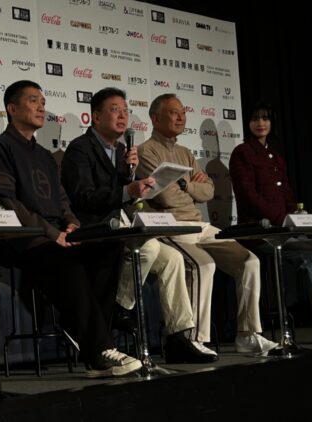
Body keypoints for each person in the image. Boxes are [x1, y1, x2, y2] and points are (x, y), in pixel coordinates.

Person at [0, 80, 141, 377]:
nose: (41, 107)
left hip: (56, 234)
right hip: (22, 238)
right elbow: (8, 204)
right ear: (12, 109)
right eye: (33, 101)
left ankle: (94, 342)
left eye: (43, 101)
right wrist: (54, 234)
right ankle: (100, 350)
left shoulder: (44, 154)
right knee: (67, 260)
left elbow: (62, 199)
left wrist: (72, 223)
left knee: (109, 249)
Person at [60, 87, 216, 363]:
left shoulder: (123, 150)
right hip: (93, 227)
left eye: (125, 110)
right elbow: (83, 197)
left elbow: (124, 197)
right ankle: (119, 308)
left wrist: (133, 184)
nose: (122, 116)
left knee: (172, 259)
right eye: (115, 110)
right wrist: (127, 189)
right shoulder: (80, 149)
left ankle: (178, 336)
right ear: (96, 117)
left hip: (120, 225)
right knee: (149, 248)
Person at [137, 93, 277, 353]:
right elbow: (165, 196)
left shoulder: (185, 153)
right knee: (204, 265)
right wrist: (190, 185)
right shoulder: (146, 151)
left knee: (249, 261)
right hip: (172, 227)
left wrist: (184, 185)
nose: (181, 117)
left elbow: (208, 192)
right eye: (174, 112)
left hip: (199, 225)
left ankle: (248, 335)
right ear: (155, 118)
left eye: (183, 112)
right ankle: (193, 340)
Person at [229, 103, 312, 342]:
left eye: (265, 118)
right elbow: (247, 195)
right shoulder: (243, 152)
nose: (261, 123)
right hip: (260, 231)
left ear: (272, 123)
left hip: (284, 229)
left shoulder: (276, 157)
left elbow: (286, 194)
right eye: (255, 118)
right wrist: (281, 219)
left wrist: (297, 214)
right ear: (248, 123)